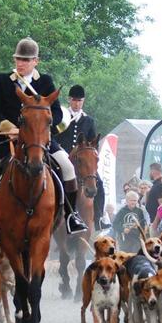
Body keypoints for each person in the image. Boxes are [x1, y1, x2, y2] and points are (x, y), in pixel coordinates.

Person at [0, 37, 87, 243]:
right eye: (18, 59)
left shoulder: (45, 81)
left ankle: (71, 216)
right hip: (7, 140)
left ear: (36, 61)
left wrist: (41, 127)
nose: (21, 63)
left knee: (67, 167)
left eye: (26, 60)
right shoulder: (3, 80)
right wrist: (8, 127)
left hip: (38, 139)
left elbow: (54, 111)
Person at [54, 84, 105, 227]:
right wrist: (61, 151)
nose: (77, 103)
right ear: (69, 100)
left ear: (83, 101)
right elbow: (54, 138)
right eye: (74, 100)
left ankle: (99, 218)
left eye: (80, 101)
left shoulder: (89, 121)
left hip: (82, 162)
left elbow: (94, 143)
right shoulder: (61, 117)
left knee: (99, 184)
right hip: (62, 157)